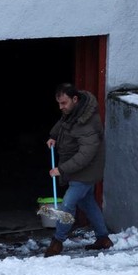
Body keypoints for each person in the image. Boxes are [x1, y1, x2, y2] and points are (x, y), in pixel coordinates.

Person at [44, 83, 113, 257]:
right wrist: (53, 136)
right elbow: (63, 123)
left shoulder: (88, 122)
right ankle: (103, 238)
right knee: (87, 202)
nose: (61, 108)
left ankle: (57, 241)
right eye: (59, 104)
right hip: (78, 168)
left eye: (64, 103)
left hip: (86, 170)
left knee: (67, 204)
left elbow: (86, 154)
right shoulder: (73, 111)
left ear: (75, 99)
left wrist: (62, 169)